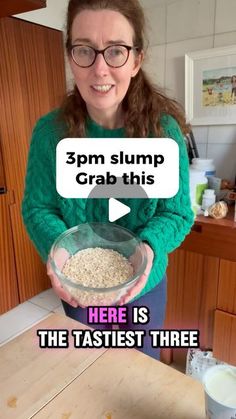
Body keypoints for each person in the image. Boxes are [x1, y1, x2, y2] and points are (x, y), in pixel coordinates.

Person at [22, 0, 194, 360]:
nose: (100, 69)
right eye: (85, 50)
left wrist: (146, 250)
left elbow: (177, 214)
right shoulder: (50, 134)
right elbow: (39, 207)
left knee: (139, 368)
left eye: (115, 51)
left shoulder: (164, 134)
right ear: (71, 57)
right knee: (90, 369)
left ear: (136, 59)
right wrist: (61, 249)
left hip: (145, 285)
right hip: (83, 287)